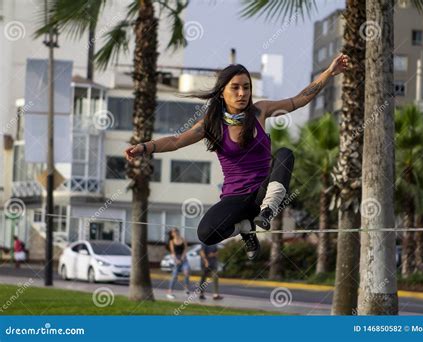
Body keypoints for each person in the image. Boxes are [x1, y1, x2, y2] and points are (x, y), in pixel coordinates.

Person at [125, 53, 349, 260]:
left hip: (264, 192)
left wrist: (330, 71)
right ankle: (245, 229)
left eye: (246, 88)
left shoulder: (260, 111)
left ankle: (267, 211)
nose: (242, 93)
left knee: (284, 154)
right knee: (206, 233)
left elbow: (300, 99)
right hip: (236, 199)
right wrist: (144, 147)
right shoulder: (212, 125)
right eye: (235, 88)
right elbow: (175, 141)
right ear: (222, 91)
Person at [166, 228, 190, 299]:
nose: (175, 232)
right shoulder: (171, 241)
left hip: (184, 259)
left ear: (178, 232)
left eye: (176, 231)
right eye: (173, 231)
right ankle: (169, 292)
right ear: (172, 234)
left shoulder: (183, 239)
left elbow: (185, 249)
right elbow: (172, 252)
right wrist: (176, 260)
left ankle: (186, 289)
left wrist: (182, 257)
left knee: (186, 272)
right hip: (176, 260)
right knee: (174, 276)